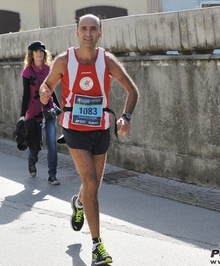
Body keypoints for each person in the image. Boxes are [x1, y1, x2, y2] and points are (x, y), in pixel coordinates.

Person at [39, 14, 139, 265]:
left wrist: (125, 117)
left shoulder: (107, 60)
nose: (88, 33)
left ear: (100, 33)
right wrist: (44, 95)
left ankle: (78, 203)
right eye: (83, 29)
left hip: (101, 128)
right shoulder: (64, 61)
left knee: (93, 185)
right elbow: (47, 86)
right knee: (91, 182)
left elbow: (132, 89)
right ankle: (97, 246)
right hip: (73, 128)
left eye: (93, 29)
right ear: (77, 33)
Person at [19, 40, 61, 185]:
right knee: (35, 143)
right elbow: (26, 95)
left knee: (52, 143)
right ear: (31, 54)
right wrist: (22, 115)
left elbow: (52, 90)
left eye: (42, 51)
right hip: (33, 112)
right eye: (36, 51)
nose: (39, 53)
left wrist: (59, 107)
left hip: (48, 110)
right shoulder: (27, 72)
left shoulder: (50, 70)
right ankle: (32, 160)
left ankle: (52, 175)